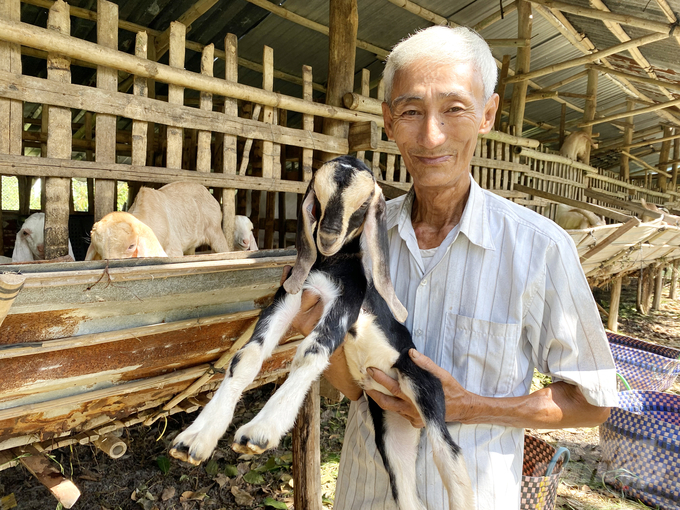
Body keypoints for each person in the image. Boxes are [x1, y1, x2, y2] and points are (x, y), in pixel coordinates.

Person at [289, 25, 617, 510]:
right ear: (388, 120)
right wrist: (320, 335)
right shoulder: (356, 242)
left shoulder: (540, 249)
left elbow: (592, 402)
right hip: (364, 494)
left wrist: (470, 407)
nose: (430, 135)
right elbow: (355, 394)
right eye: (411, 111)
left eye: (454, 108)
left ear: (488, 114)